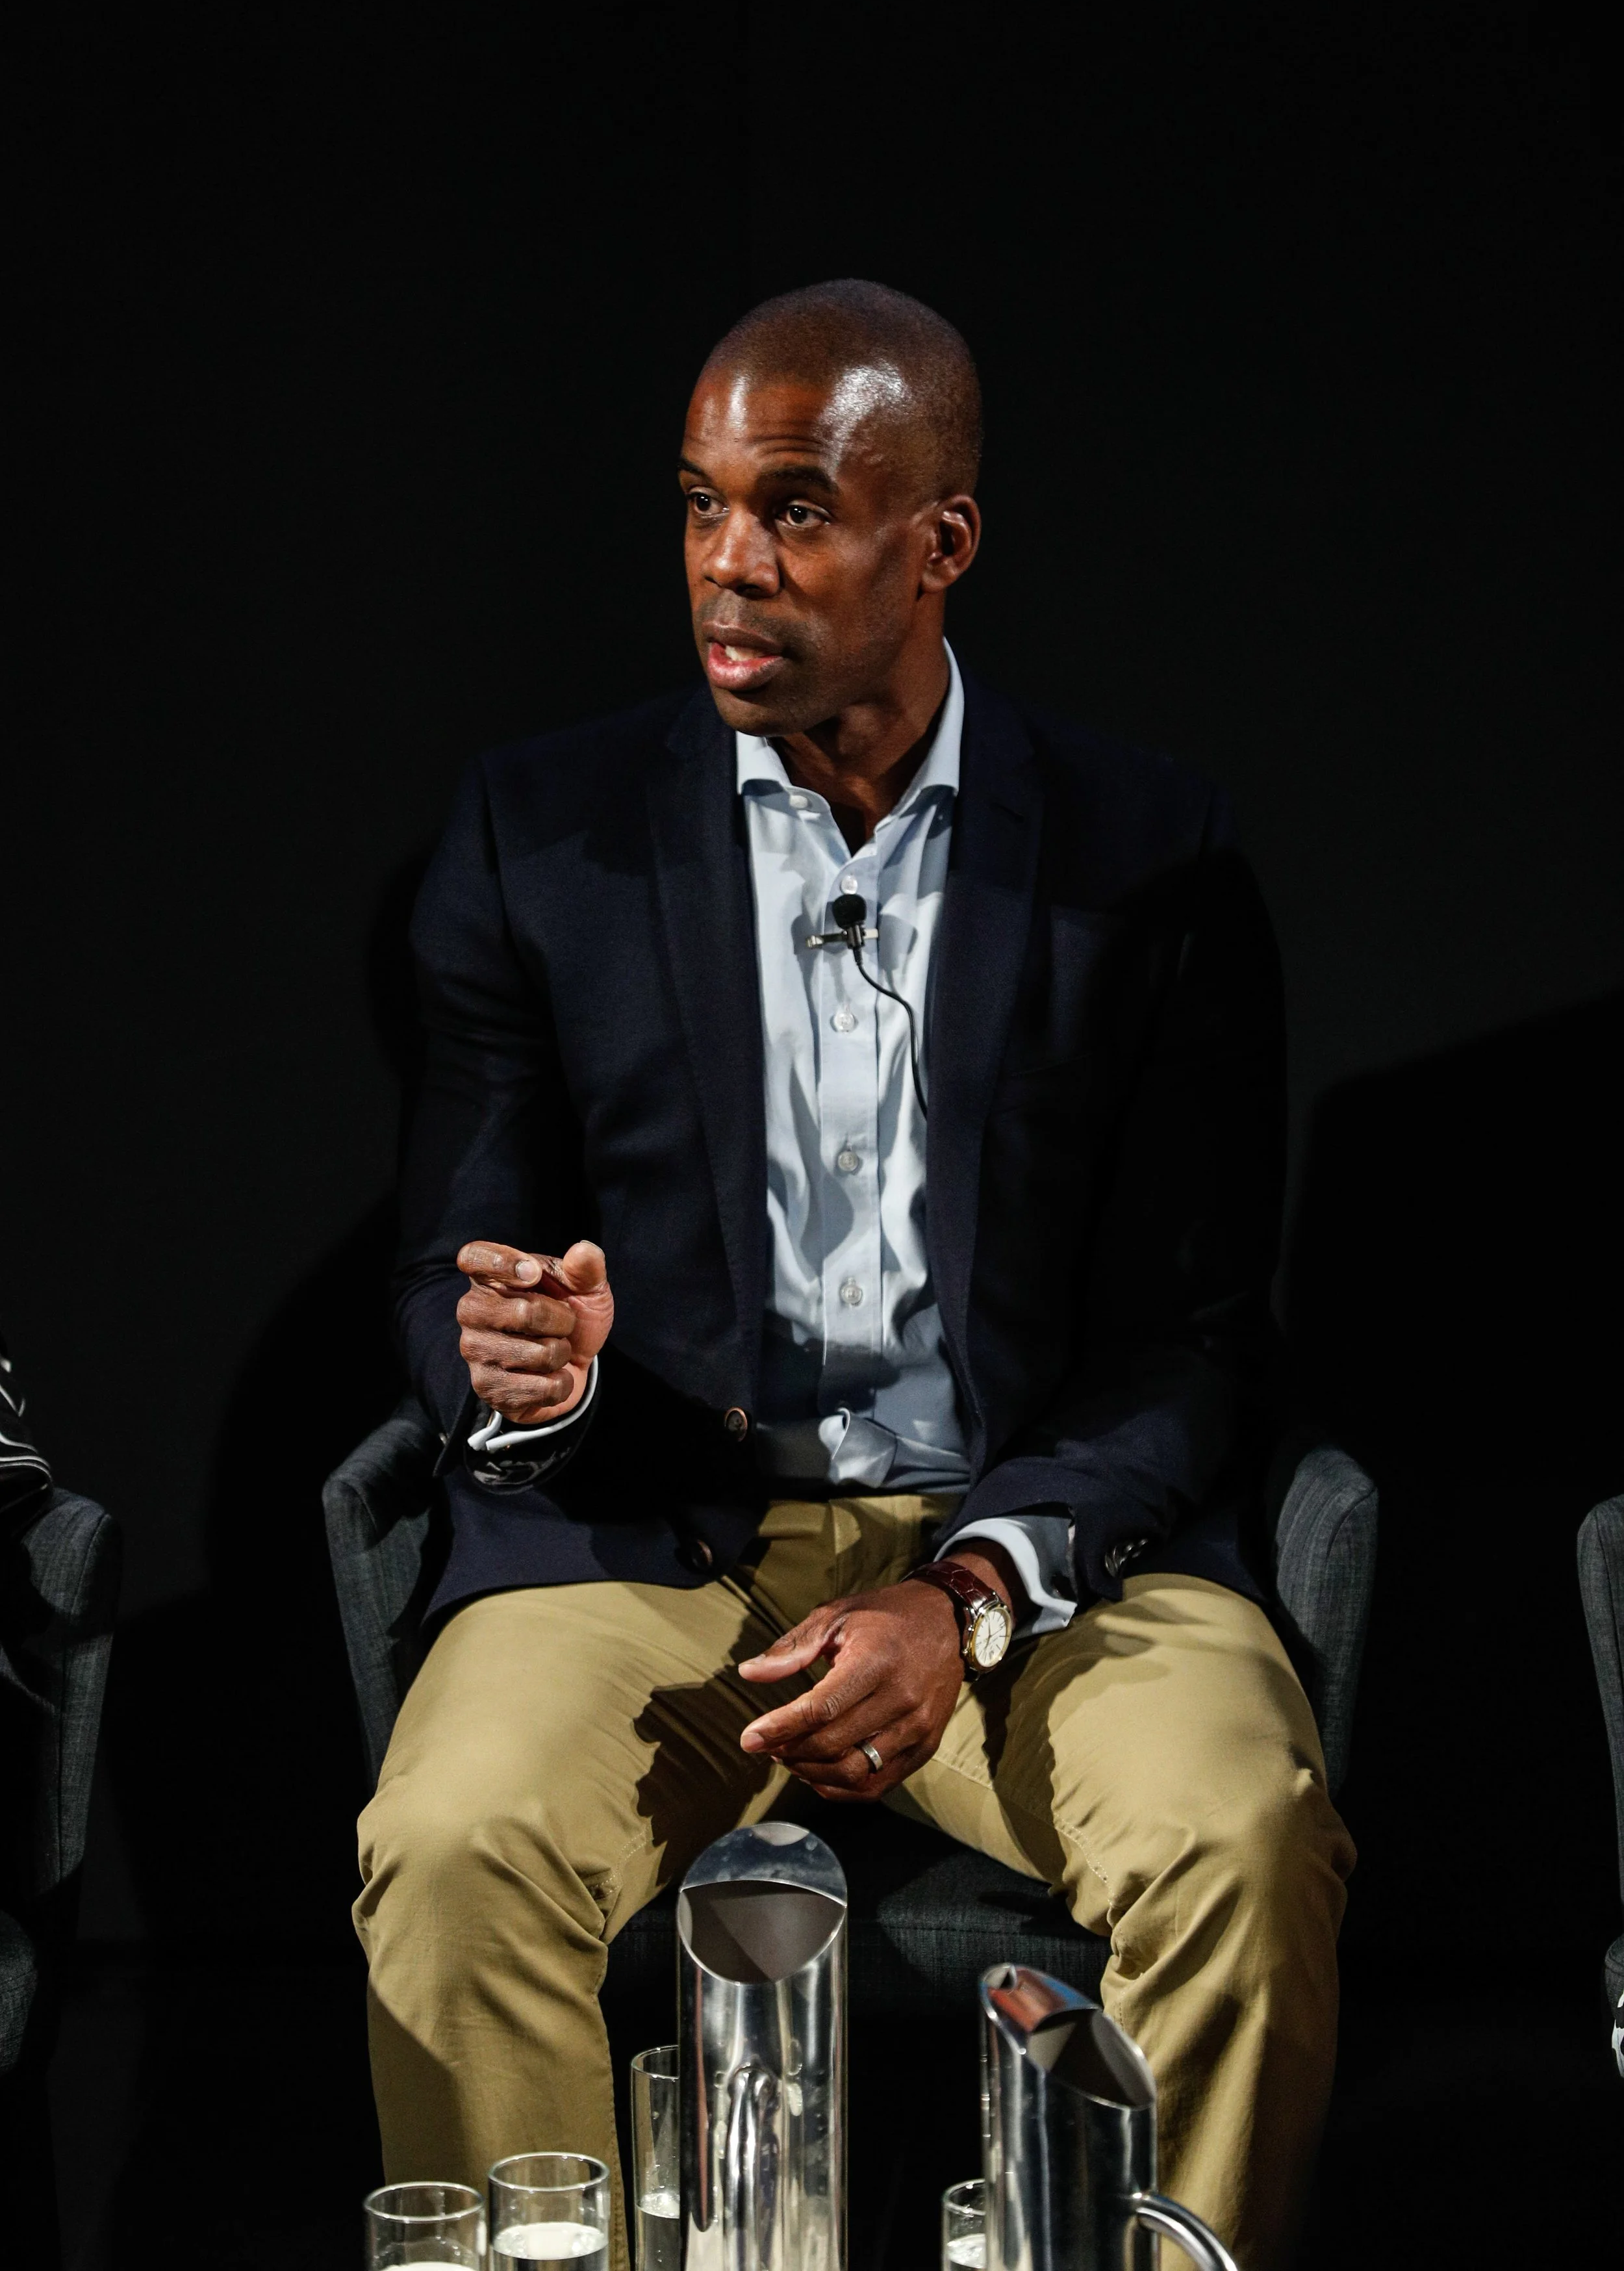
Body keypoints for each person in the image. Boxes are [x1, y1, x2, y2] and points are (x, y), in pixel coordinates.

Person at [354, 279, 1353, 2270]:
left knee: (1242, 1846)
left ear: (937, 544)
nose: (729, 564)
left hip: (1035, 1556)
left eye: (797, 510)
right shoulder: (536, 840)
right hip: (660, 1549)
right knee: (449, 1849)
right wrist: (530, 1365)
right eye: (704, 506)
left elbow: (1188, 1342)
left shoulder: (1148, 859)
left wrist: (966, 1592)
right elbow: (446, 1267)